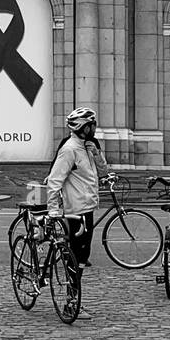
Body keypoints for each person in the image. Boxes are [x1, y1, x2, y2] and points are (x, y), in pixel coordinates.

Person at [46, 107, 110, 269]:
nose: (95, 128)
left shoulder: (88, 146)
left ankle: (74, 288)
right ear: (85, 127)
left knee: (83, 253)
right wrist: (53, 210)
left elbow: (103, 171)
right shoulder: (69, 149)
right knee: (77, 253)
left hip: (88, 206)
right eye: (93, 125)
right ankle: (72, 289)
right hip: (76, 209)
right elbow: (54, 180)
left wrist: (96, 154)